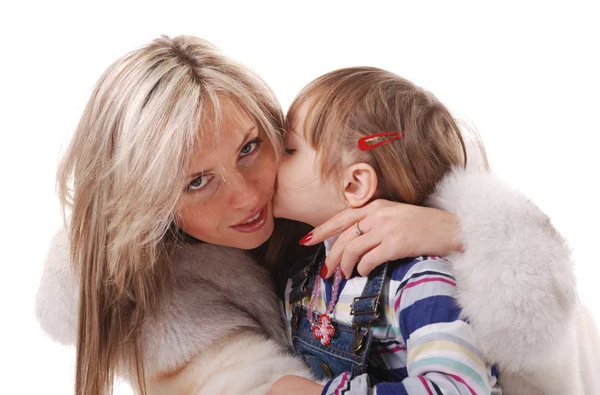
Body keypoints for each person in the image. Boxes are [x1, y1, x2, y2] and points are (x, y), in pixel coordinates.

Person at [34, 36, 591, 395]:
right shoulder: (166, 318)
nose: (247, 196)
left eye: (251, 146)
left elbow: (538, 344)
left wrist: (463, 232)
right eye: (197, 182)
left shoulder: (353, 168)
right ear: (149, 206)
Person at [269, 67, 599, 395]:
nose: (272, 158)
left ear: (354, 184)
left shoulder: (419, 281)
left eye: (289, 150)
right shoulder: (303, 280)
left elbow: (458, 388)